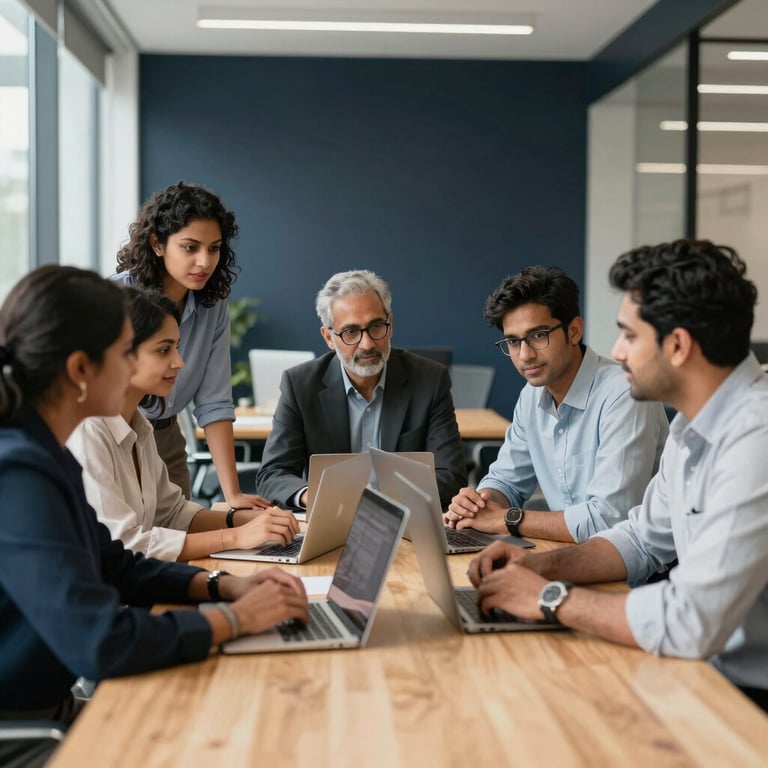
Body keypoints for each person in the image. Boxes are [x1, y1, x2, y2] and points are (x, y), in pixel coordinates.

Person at [0, 266, 308, 767]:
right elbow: (99, 643)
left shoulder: (42, 452)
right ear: (81, 369)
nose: (171, 365)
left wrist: (221, 588)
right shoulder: (19, 472)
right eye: (128, 352)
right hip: (25, 730)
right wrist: (233, 621)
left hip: (48, 709)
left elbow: (115, 562)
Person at [467, 240, 768, 712]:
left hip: (744, 696)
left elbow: (692, 621)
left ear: (678, 345)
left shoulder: (757, 437)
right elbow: (642, 539)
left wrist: (549, 596)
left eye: (629, 334)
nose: (616, 351)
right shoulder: (695, 425)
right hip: (700, 670)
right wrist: (540, 566)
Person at [68, 287, 299, 561]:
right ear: (121, 354)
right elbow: (124, 545)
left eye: (176, 348)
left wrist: (250, 521)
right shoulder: (87, 432)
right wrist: (235, 537)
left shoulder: (139, 424)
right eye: (164, 350)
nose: (179, 363)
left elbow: (173, 512)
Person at [446, 266, 668, 542]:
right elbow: (506, 481)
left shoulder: (625, 394)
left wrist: (506, 519)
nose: (525, 355)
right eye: (513, 342)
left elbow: (609, 520)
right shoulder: (531, 394)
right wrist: (479, 504)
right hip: (571, 553)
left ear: (574, 331)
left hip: (636, 572)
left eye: (538, 335)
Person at [256, 269, 467, 509]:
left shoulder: (430, 380)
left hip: (403, 519)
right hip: (331, 519)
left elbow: (451, 477)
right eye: (351, 332)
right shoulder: (300, 385)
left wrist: (376, 503)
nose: (367, 344)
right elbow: (273, 474)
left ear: (391, 324)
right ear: (328, 338)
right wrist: (310, 496)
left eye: (376, 326)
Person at [113, 181, 266, 509]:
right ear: (157, 244)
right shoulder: (115, 299)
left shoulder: (213, 305)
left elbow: (214, 401)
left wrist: (233, 496)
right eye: (190, 247)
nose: (204, 262)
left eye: (214, 248)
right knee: (124, 548)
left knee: (181, 538)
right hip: (112, 436)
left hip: (167, 440)